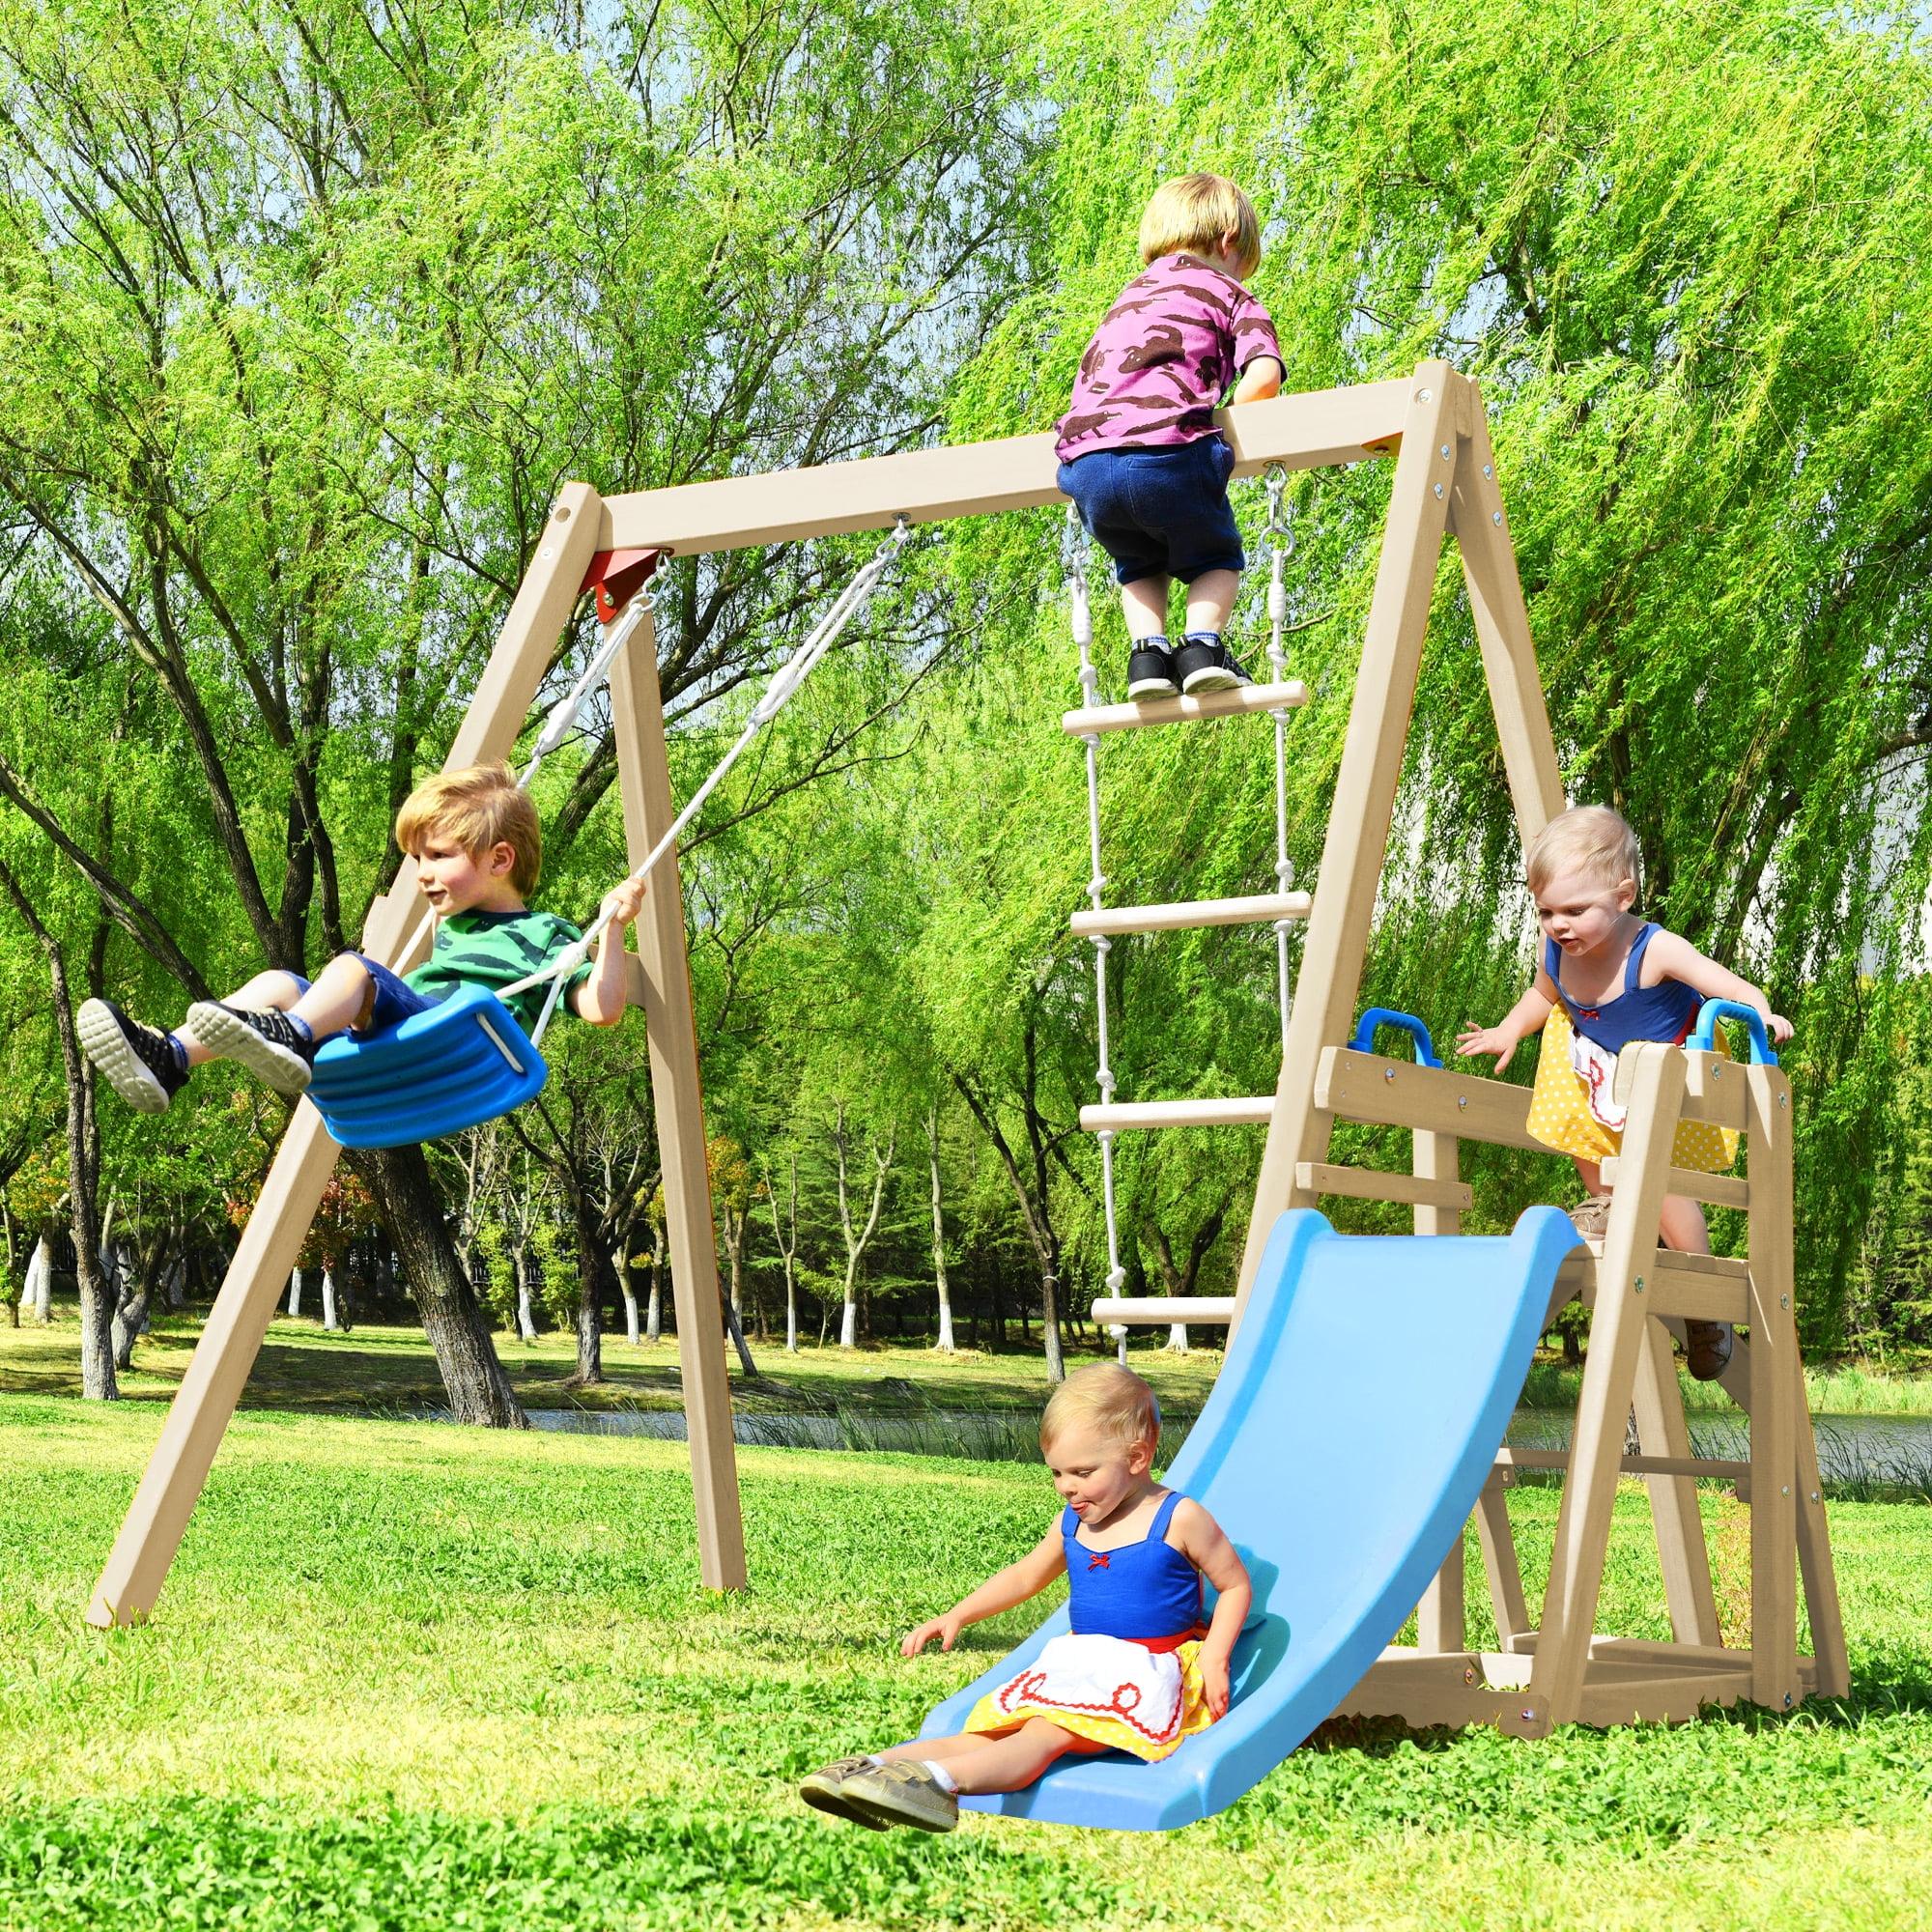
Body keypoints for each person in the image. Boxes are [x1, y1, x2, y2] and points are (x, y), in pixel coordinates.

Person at [798, 1363, 1252, 1833]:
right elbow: (1025, 1577)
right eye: (1056, 1472)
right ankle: (866, 1770)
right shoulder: (1073, 1521)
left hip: (1144, 1672)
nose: (1066, 1487)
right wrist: (959, 1614)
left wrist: (1216, 1657)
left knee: (1042, 1735)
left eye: (1082, 1472)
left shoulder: (1179, 1517)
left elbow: (1235, 1585)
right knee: (992, 1732)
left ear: (1137, 1458)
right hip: (1083, 1664)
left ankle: (938, 1783)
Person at [77, 762, 645, 1113]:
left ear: (500, 859)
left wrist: (613, 930)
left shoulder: (543, 934)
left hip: (449, 1036)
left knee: (353, 968)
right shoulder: (454, 925)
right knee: (279, 979)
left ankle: (294, 1035)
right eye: (416, 858)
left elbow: (601, 1007)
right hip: (399, 1032)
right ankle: (170, 1059)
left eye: (438, 857)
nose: (421, 872)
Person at [1456, 805, 1792, 1379]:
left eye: (1576, 910)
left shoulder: (1654, 949)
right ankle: (1611, 1206)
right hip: (1600, 1063)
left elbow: (1722, 980)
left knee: (1658, 1183)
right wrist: (1510, 1029)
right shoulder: (1558, 950)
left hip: (1667, 1075)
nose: (1559, 924)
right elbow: (1545, 996)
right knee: (1586, 1133)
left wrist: (1762, 1012)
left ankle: (1703, 1299)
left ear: (1624, 896)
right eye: (1547, 912)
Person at [1055, 172, 1286, 702]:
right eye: (1243, 264)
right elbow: (1263, 377)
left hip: (1086, 464)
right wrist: (1224, 428)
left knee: (1136, 558)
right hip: (1169, 450)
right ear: (1229, 241)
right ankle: (1203, 647)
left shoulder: (1125, 300)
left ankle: (1147, 657)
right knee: (1215, 555)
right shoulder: (1230, 293)